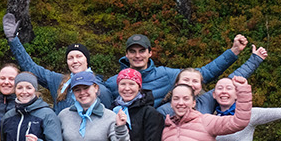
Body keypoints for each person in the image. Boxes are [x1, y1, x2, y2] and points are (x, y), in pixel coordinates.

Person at [103, 32, 249, 109]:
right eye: (132, 52)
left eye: (142, 51)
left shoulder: (166, 75)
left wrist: (233, 51)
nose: (137, 56)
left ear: (150, 53)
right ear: (126, 54)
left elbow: (203, 73)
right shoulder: (113, 82)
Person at [2, 15, 112, 111]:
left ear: (87, 61)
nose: (75, 61)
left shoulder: (99, 88)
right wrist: (13, 40)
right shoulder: (58, 81)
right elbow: (31, 67)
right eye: (70, 58)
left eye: (79, 56)